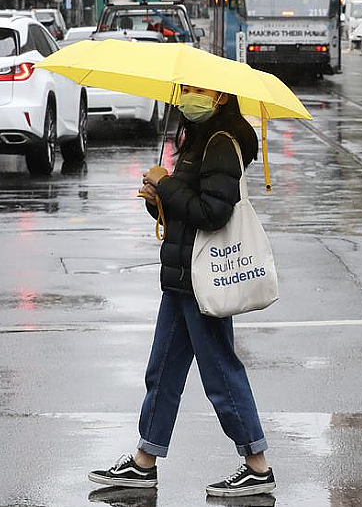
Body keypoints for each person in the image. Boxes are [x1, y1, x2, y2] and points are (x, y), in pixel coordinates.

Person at [88, 85, 276, 498]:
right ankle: (144, 461)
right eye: (186, 89)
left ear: (222, 98)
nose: (189, 96)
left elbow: (213, 213)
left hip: (200, 278)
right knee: (163, 372)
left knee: (220, 373)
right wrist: (157, 198)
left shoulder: (223, 144)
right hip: (180, 276)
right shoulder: (197, 139)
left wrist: (167, 187)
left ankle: (257, 466)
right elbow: (186, 206)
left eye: (198, 90)